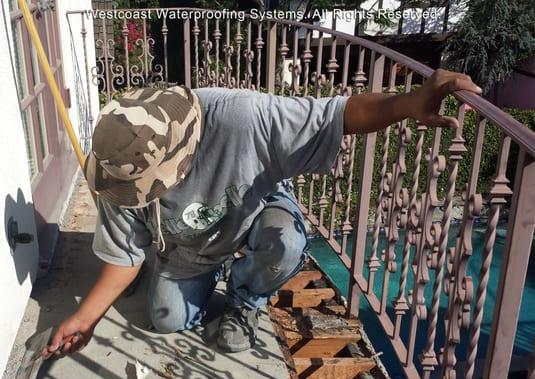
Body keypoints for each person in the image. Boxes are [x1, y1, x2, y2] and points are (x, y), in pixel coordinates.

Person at [42, 69, 481, 357]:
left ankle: (243, 300)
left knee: (285, 243)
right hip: (189, 246)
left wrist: (408, 104)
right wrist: (85, 318)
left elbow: (339, 115)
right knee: (165, 320)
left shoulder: (242, 117)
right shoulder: (118, 165)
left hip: (254, 213)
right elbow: (124, 253)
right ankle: (191, 273)